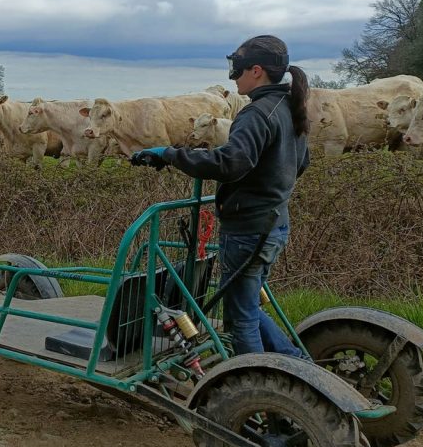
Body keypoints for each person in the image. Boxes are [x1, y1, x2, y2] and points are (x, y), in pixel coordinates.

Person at [131, 35, 309, 356]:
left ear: (256, 71)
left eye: (237, 67)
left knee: (240, 320)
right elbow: (300, 162)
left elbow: (230, 163)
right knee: (247, 305)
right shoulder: (288, 107)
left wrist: (170, 154)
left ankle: (255, 382)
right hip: (274, 225)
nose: (233, 76)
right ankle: (295, 367)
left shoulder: (256, 114)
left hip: (248, 231)